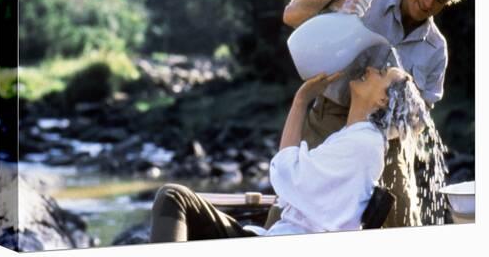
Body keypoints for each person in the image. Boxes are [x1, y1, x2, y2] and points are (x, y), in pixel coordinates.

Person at [278, 0, 472, 227]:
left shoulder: (435, 49)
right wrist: (335, 2)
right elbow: (291, 14)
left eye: (441, 0)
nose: (429, 3)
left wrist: (378, 134)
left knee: (403, 221)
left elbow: (419, 120)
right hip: (330, 118)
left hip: (385, 140)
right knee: (294, 202)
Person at [150, 66, 427, 242]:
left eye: (381, 73)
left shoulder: (363, 145)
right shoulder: (355, 139)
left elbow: (286, 174)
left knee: (173, 197)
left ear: (383, 100)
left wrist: (301, 101)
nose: (371, 68)